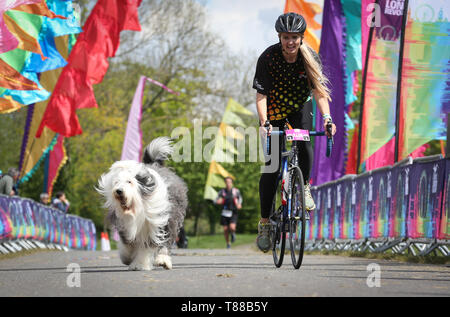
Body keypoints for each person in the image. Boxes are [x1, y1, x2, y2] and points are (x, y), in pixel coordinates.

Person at [253, 12, 337, 252]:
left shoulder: (310, 58)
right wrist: (265, 122)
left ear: (302, 38)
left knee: (305, 142)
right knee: (271, 167)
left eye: (295, 37)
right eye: (286, 37)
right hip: (275, 110)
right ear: (280, 37)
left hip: (300, 107)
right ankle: (265, 222)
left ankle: (305, 186)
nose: (290, 42)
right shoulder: (268, 57)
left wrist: (328, 119)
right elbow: (261, 95)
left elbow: (320, 93)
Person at [215, 177, 243, 249]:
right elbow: (216, 199)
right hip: (224, 212)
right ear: (225, 183)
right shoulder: (222, 192)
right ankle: (228, 243)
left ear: (232, 183)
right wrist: (218, 201)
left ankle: (233, 233)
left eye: (229, 182)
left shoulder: (235, 191)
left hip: (233, 212)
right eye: (227, 182)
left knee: (232, 227)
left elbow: (240, 198)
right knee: (225, 229)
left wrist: (239, 204)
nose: (228, 183)